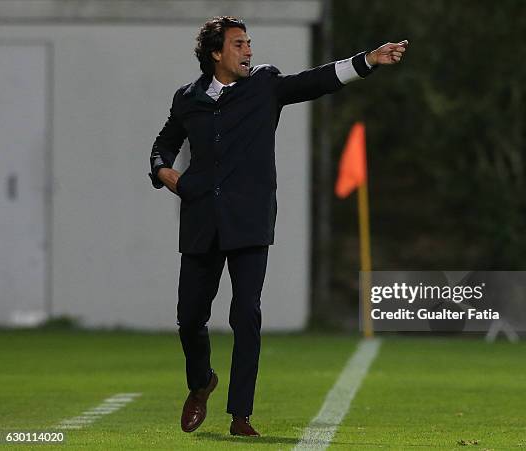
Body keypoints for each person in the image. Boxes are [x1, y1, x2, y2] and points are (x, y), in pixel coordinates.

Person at [148, 15, 407, 437]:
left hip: (249, 220)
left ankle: (240, 415)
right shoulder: (188, 98)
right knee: (190, 317)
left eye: (249, 43)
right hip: (200, 221)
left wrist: (369, 60)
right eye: (238, 44)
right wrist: (165, 173)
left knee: (245, 313)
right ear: (216, 53)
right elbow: (164, 144)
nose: (248, 50)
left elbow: (317, 81)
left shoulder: (264, 85)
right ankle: (201, 383)